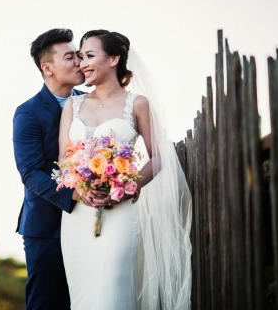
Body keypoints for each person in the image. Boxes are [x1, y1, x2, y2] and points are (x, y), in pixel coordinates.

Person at [58, 30, 192, 309]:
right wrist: (80, 188)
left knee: (113, 289)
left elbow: (159, 157)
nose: (82, 63)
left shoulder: (138, 104)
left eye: (90, 56)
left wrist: (126, 187)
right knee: (82, 295)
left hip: (120, 211)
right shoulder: (73, 104)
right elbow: (64, 159)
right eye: (81, 57)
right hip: (77, 215)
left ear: (114, 59)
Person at [13, 28, 103, 309]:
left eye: (79, 55)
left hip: (93, 221)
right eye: (70, 57)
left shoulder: (93, 103)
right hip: (45, 226)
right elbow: (30, 174)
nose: (79, 62)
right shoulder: (27, 112)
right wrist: (74, 193)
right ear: (47, 68)